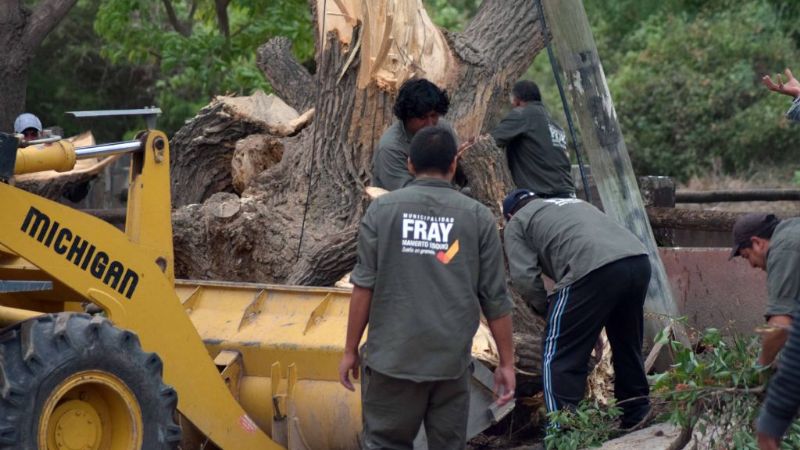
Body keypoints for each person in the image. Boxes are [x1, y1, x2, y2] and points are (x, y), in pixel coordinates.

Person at [340, 126, 515, 449]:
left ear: (409, 164)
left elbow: (364, 286)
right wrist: (506, 363)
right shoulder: (478, 217)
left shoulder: (382, 210)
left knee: (383, 443)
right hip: (449, 364)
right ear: (453, 165)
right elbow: (495, 298)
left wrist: (350, 349)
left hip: (392, 361)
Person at [502, 189, 650, 428]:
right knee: (626, 342)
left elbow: (525, 279)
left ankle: (563, 431)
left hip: (592, 268)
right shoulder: (573, 203)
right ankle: (637, 411)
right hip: (637, 259)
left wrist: (546, 310)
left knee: (556, 353)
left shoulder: (517, 222)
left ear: (509, 215)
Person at [729, 213, 800, 367]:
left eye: (747, 256)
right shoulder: (793, 230)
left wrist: (761, 366)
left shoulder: (784, 250)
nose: (752, 265)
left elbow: (781, 325)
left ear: (757, 243)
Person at [371, 78, 460, 191]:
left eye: (433, 115)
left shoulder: (442, 128)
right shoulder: (390, 148)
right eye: (422, 117)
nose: (430, 124)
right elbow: (407, 193)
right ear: (407, 117)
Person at [491, 80, 575, 197]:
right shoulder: (554, 124)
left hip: (542, 197)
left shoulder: (522, 114)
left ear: (517, 101)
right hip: (568, 194)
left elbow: (488, 143)